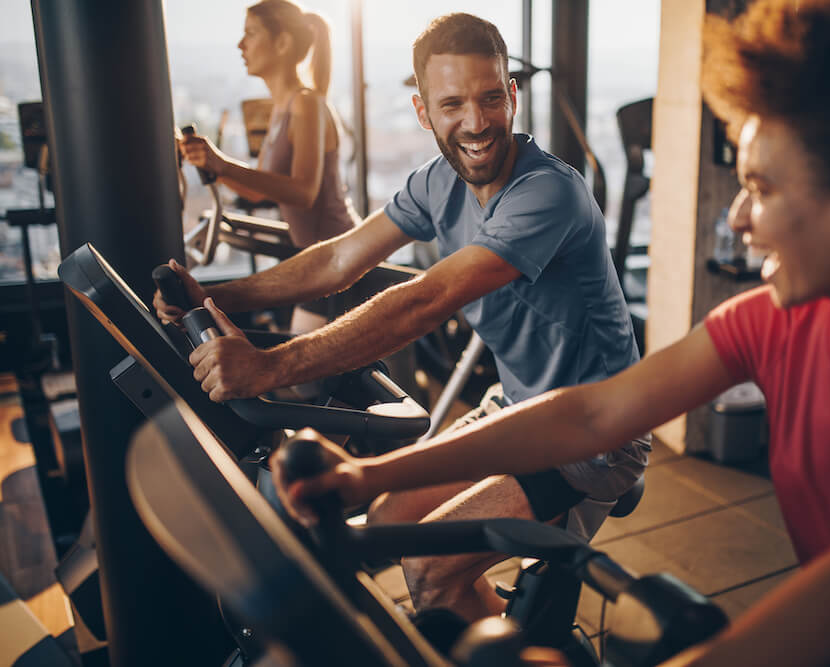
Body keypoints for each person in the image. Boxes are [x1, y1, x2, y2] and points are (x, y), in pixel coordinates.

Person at [273, 1, 830, 664]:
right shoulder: (773, 324)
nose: (739, 219)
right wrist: (369, 475)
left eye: (764, 189)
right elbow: (592, 411)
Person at [156, 13, 649, 624]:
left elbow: (425, 300)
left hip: (595, 436)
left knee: (430, 567)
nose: (475, 123)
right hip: (518, 408)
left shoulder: (550, 192)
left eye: (491, 98)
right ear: (423, 112)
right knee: (389, 518)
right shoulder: (436, 184)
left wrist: (268, 367)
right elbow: (338, 259)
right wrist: (214, 299)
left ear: (512, 96)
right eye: (452, 104)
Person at [178, 0, 360, 334]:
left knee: (308, 381)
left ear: (282, 43)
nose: (240, 44)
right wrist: (212, 165)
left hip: (337, 256)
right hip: (314, 257)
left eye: (250, 34)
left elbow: (304, 192)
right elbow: (257, 191)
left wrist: (222, 162)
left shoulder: (307, 103)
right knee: (308, 380)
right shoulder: (281, 108)